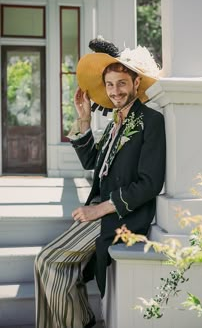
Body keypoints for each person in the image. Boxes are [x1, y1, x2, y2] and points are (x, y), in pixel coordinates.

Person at [34, 38, 166, 328]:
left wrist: (99, 209)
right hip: (98, 210)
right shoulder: (114, 122)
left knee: (48, 262)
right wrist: (83, 121)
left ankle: (79, 322)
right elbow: (94, 163)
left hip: (120, 215)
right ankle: (82, 320)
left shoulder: (150, 121)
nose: (115, 91)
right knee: (55, 267)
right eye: (109, 84)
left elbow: (150, 183)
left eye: (121, 83)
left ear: (135, 82)